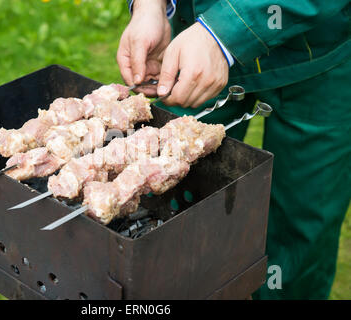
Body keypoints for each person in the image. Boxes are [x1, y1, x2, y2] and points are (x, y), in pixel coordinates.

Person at [117, 0, 350, 299]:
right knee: (161, 195)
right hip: (195, 43)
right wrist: (151, 6)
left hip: (321, 51)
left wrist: (224, 32)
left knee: (303, 223)